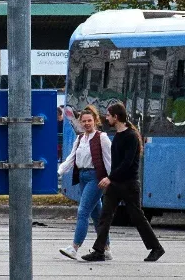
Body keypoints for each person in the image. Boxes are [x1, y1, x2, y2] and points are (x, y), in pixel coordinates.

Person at [82, 103, 164, 263]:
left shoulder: (131, 136)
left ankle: (156, 248)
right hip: (115, 185)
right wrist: (110, 178)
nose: (106, 118)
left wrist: (110, 178)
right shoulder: (118, 135)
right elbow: (115, 162)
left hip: (129, 184)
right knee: (105, 216)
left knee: (137, 217)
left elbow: (127, 164)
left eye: (108, 115)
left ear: (116, 117)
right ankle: (99, 250)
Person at [56, 106, 112, 261]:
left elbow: (109, 160)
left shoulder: (102, 138)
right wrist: (59, 172)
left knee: (83, 211)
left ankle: (74, 247)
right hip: (82, 176)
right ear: (80, 122)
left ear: (95, 121)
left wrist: (110, 178)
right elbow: (72, 158)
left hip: (96, 178)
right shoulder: (80, 138)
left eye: (90, 121)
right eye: (84, 121)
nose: (87, 124)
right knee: (97, 214)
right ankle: (106, 248)